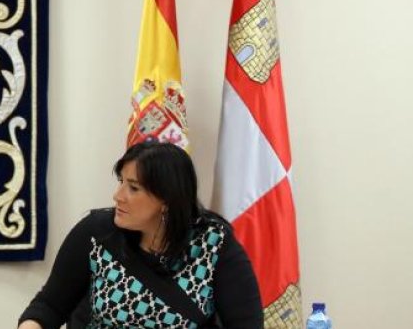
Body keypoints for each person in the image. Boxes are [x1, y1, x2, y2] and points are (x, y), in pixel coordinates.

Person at [17, 141, 262, 329]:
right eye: (121, 181)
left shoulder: (213, 245)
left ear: (166, 199)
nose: (117, 195)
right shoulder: (96, 234)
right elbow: (49, 306)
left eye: (133, 188)